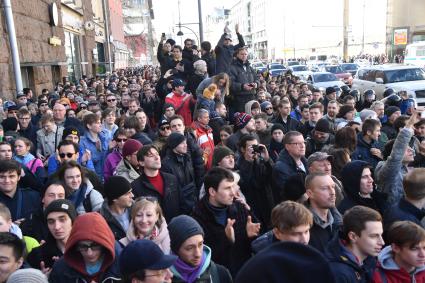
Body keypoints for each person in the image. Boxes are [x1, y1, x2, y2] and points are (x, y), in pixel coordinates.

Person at [192, 167, 260, 275]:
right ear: (212, 191)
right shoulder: (198, 219)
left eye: (233, 187)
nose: (233, 192)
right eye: (227, 188)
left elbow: (256, 242)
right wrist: (227, 239)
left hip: (245, 272)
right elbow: (203, 256)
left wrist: (251, 235)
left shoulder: (239, 207)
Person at [49, 212, 121, 283]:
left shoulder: (123, 263)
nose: (89, 253)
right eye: (83, 246)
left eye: (95, 246)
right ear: (75, 246)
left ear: (104, 244)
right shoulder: (60, 269)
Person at [326, 205, 384, 283]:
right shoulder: (338, 274)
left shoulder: (370, 261)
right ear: (353, 237)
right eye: (373, 236)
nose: (382, 242)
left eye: (381, 235)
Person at [168, 215, 232, 283]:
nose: (198, 254)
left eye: (200, 244)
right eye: (189, 248)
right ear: (175, 250)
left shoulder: (220, 274)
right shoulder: (163, 277)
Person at [375, 110, 419, 206]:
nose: (412, 151)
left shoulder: (409, 169)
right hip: (395, 216)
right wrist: (408, 126)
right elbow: (396, 156)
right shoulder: (388, 170)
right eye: (406, 149)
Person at [236, 241, 336, 283]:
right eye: (295, 233)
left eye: (306, 231)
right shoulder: (263, 268)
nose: (303, 239)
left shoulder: (311, 260)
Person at [132, 145, 181, 222]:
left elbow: (182, 203)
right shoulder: (136, 186)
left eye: (157, 154)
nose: (157, 157)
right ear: (141, 162)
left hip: (175, 226)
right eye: (151, 156)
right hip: (154, 229)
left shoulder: (171, 179)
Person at [27, 199, 77, 272]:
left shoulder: (85, 251)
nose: (56, 227)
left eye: (62, 220)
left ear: (72, 221)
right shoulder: (37, 255)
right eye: (51, 222)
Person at [237, 134, 274, 228]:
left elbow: (271, 177)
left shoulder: (260, 161)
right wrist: (248, 161)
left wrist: (267, 159)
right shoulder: (238, 165)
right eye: (251, 147)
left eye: (256, 146)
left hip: (266, 206)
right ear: (242, 149)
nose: (254, 149)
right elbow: (246, 183)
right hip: (253, 207)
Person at [305, 172, 342, 252]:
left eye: (333, 187)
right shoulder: (301, 227)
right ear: (310, 193)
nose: (332, 192)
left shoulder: (341, 222)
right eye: (324, 188)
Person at [161, 133, 197, 214]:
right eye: (182, 143)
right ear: (174, 145)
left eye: (186, 143)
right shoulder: (165, 164)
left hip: (193, 200)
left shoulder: (187, 157)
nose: (186, 145)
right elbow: (170, 191)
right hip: (180, 205)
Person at [273, 131, 308, 204]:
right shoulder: (280, 168)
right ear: (287, 146)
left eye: (303, 142)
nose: (302, 146)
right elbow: (291, 194)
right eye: (297, 143)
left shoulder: (306, 161)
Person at [99, 176, 133, 241]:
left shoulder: (138, 210)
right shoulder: (102, 219)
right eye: (127, 193)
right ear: (115, 199)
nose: (132, 195)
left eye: (131, 192)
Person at [228, 47, 258, 114]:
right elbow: (230, 83)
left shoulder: (250, 67)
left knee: (252, 117)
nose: (244, 56)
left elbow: (257, 78)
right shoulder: (232, 67)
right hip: (239, 98)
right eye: (242, 54)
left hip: (251, 96)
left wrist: (256, 84)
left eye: (245, 54)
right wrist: (242, 86)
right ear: (237, 55)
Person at [79, 113, 109, 180]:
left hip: (105, 176)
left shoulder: (104, 138)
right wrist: (97, 151)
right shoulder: (82, 142)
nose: (100, 125)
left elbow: (106, 159)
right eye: (97, 123)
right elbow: (85, 162)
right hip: (92, 178)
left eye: (100, 122)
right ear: (89, 126)